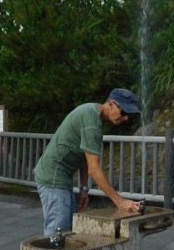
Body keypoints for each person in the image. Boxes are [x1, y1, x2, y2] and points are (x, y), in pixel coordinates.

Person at [34, 88, 144, 235]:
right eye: (124, 112)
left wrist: (84, 188)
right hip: (52, 176)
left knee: (67, 230)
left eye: (129, 115)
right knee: (57, 234)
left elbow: (85, 158)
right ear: (111, 104)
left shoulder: (92, 113)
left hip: (61, 176)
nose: (125, 118)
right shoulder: (92, 123)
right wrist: (120, 202)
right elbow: (94, 169)